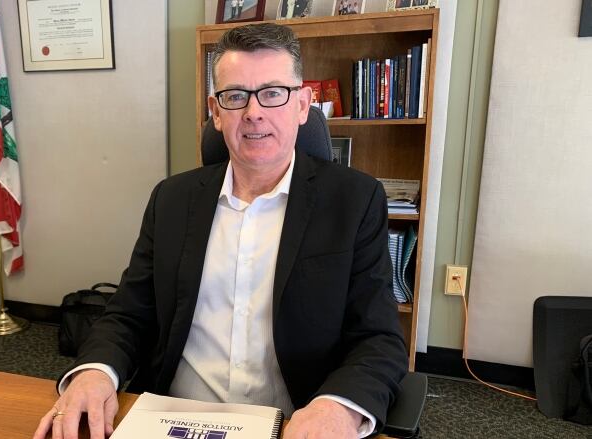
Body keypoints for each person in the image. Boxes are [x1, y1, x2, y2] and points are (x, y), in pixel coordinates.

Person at [33, 23, 407, 439]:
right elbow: (128, 314)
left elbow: (377, 338)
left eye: (273, 93)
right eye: (235, 96)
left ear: (303, 105)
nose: (253, 112)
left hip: (290, 424)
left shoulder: (354, 201)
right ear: (215, 111)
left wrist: (336, 406)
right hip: (171, 419)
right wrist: (94, 373)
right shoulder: (172, 199)